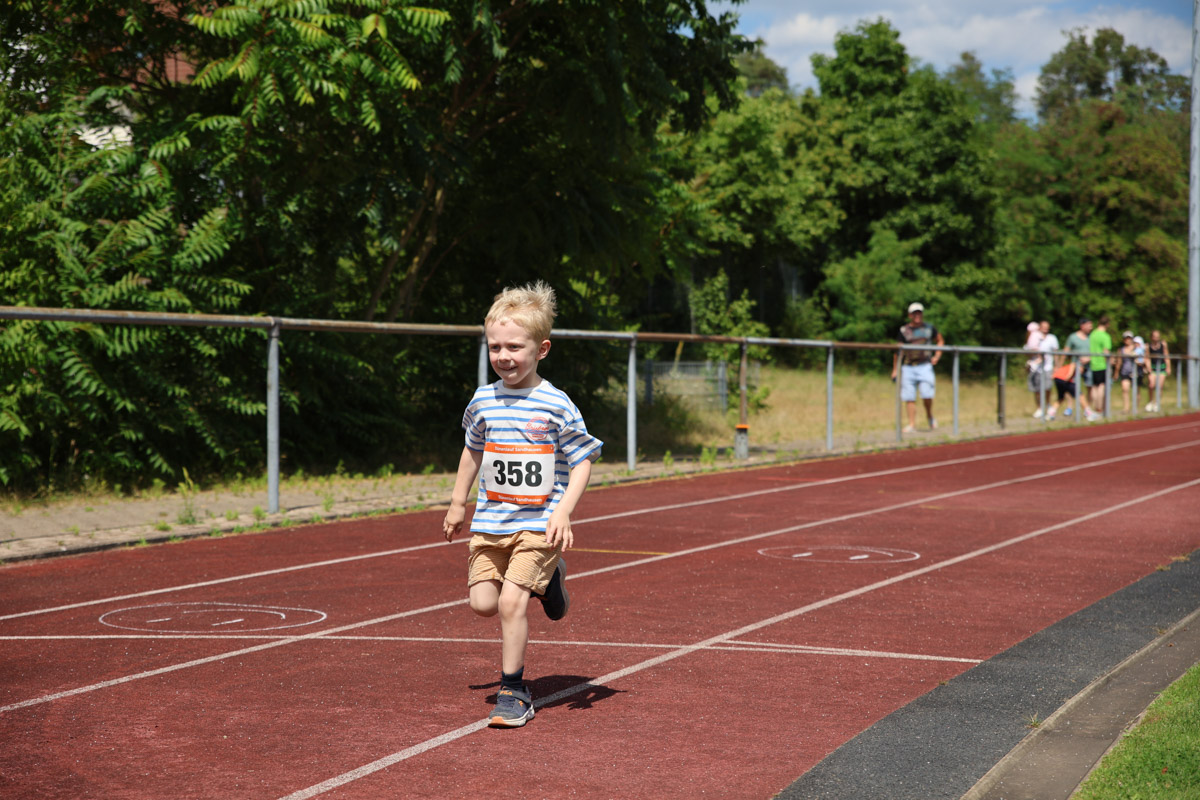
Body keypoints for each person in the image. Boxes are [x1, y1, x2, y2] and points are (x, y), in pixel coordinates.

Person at [442, 281, 603, 728]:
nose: (504, 356)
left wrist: (563, 510)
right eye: (495, 347)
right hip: (491, 523)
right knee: (483, 603)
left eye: (515, 346)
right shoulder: (483, 400)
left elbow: (583, 459)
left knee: (511, 602)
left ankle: (514, 691)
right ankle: (550, 581)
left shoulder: (555, 403)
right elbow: (472, 450)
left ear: (541, 349)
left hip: (539, 524)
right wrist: (457, 503)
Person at [891, 302, 944, 433]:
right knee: (909, 397)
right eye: (914, 313)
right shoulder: (904, 330)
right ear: (910, 315)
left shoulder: (929, 328)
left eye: (919, 313)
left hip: (925, 366)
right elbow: (898, 351)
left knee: (927, 394)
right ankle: (912, 424)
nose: (917, 315)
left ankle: (930, 416)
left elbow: (940, 340)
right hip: (908, 367)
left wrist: (937, 356)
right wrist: (895, 369)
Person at [1064, 317, 1098, 420]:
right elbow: (1066, 351)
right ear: (1082, 326)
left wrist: (1089, 358)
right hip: (1076, 367)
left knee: (1089, 387)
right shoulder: (1073, 337)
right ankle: (1070, 407)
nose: (1091, 327)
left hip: (1089, 366)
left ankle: (1087, 410)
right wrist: (1061, 365)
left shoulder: (1092, 337)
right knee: (1071, 387)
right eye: (1089, 325)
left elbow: (1097, 351)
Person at [1032, 321, 1058, 419]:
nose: (1045, 329)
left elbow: (1056, 353)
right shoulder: (1035, 337)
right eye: (1043, 327)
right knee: (1037, 389)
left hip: (1048, 367)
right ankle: (1039, 408)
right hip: (1037, 368)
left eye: (1047, 327)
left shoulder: (1052, 338)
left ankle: (1047, 405)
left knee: (1048, 387)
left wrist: (1056, 366)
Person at [1088, 315, 1113, 415]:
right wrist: (1110, 364)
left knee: (1095, 386)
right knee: (1101, 386)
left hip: (1093, 364)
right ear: (1107, 324)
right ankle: (1099, 408)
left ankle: (1095, 407)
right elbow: (1106, 351)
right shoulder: (1105, 336)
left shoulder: (1092, 334)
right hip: (1102, 364)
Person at [1113, 331, 1139, 413]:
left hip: (1135, 372)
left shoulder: (1137, 348)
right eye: (1126, 338)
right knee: (1125, 389)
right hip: (1125, 372)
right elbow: (1119, 362)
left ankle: (1136, 407)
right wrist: (1116, 373)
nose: (1127, 340)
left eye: (1129, 338)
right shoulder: (1121, 350)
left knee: (1136, 390)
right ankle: (1126, 408)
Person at [1145, 330, 1171, 412]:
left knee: (1159, 386)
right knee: (1151, 385)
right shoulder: (1148, 346)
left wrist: (1168, 367)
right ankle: (1150, 402)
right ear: (1151, 337)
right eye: (1155, 336)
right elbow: (1147, 357)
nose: (1156, 338)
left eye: (1158, 336)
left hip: (1162, 368)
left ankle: (1157, 403)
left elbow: (1166, 356)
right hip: (1153, 368)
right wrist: (1148, 367)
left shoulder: (1163, 345)